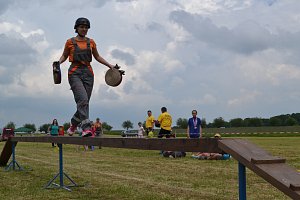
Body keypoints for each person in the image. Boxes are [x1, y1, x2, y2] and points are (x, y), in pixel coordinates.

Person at [55, 17, 116, 137]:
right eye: (81, 27)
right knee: (82, 100)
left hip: (88, 73)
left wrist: (110, 65)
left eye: (86, 27)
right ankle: (86, 128)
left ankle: (72, 125)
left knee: (84, 103)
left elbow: (97, 57)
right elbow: (64, 56)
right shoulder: (70, 42)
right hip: (74, 73)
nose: (84, 29)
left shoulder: (91, 42)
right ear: (76, 28)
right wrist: (58, 62)